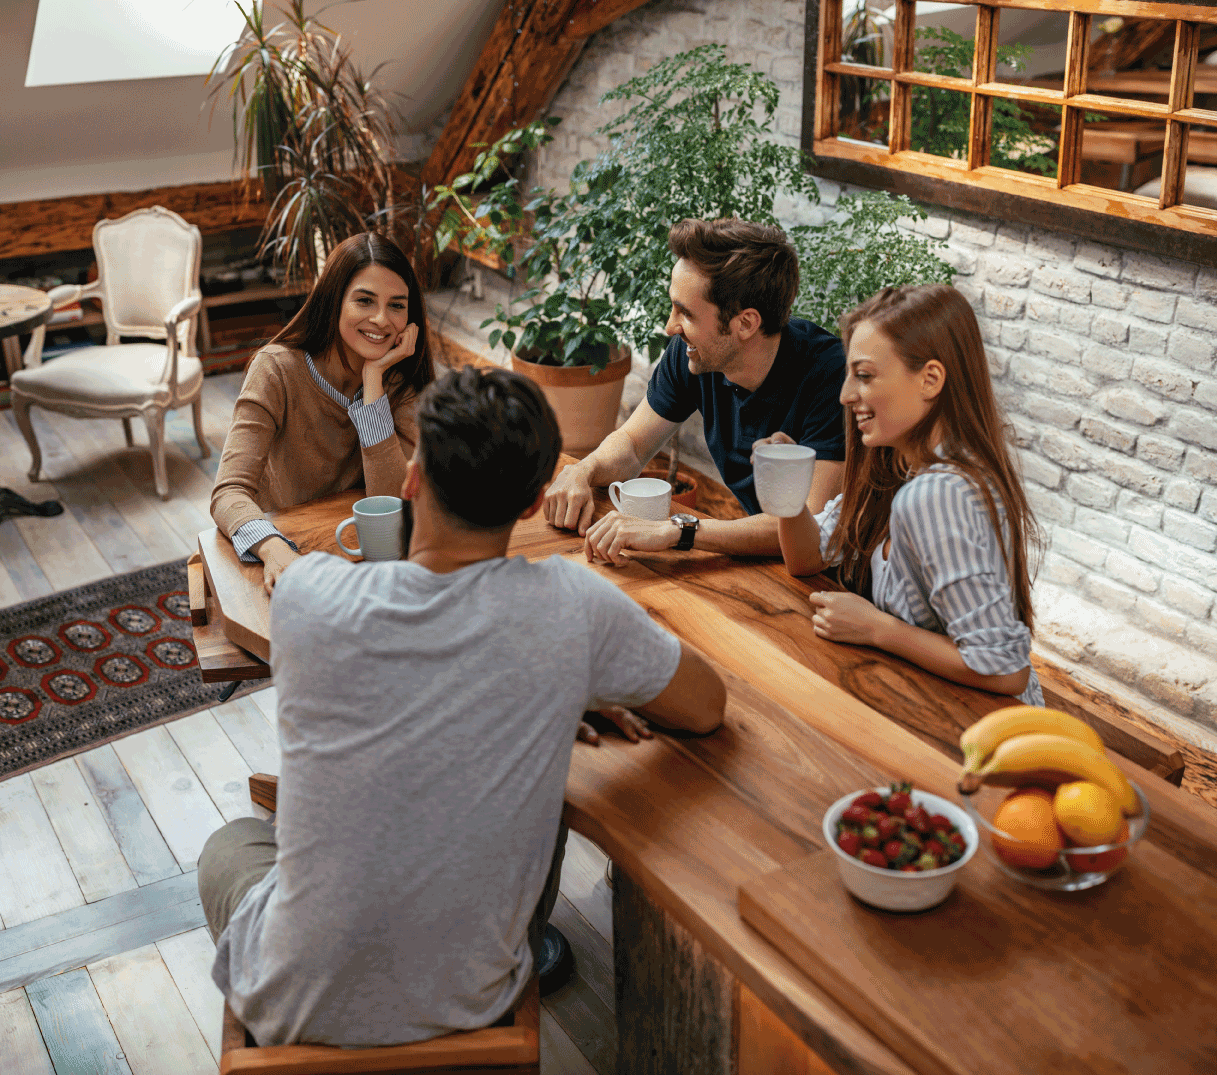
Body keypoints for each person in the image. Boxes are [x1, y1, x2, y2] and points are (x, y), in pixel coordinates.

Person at [199, 366, 727, 1048]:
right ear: (534, 503)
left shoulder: (307, 596)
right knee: (535, 799)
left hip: (289, 1005)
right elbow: (706, 705)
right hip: (470, 1003)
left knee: (229, 845)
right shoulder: (575, 607)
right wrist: (570, 684)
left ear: (412, 478)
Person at [768, 284, 1044, 706]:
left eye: (864, 375)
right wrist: (789, 490)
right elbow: (806, 559)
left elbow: (1006, 670)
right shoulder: (898, 466)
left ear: (930, 380)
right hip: (930, 701)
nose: (845, 395)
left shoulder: (938, 495)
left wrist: (876, 628)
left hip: (986, 724)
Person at [542, 217, 847, 565]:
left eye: (685, 313)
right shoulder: (693, 354)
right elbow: (633, 445)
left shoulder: (831, 377)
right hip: (760, 561)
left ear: (746, 323)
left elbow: (812, 527)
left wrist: (678, 530)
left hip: (835, 575)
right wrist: (584, 470)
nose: (670, 326)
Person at [210, 232, 434, 595]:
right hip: (286, 550)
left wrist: (373, 382)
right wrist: (274, 550)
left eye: (396, 305)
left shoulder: (399, 379)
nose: (381, 319)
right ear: (334, 300)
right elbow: (228, 492)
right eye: (364, 300)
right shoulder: (276, 369)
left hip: (363, 558)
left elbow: (392, 503)